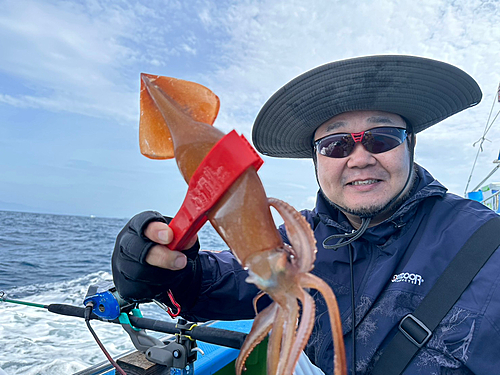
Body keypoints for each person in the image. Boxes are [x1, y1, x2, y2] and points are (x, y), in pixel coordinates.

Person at [112, 55, 500, 374]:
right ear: (316, 159)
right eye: (335, 144)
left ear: (409, 145)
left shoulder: (487, 245)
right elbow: (223, 281)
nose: (361, 158)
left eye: (382, 138)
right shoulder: (302, 239)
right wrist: (163, 267)